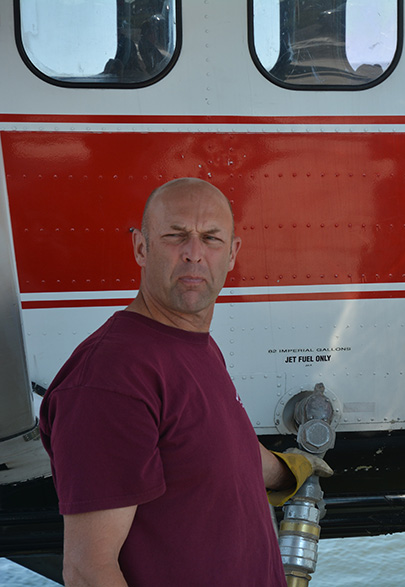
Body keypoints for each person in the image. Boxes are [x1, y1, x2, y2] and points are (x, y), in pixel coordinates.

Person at [39, 178, 330, 586]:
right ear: (141, 247)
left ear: (232, 254)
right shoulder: (110, 379)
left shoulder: (196, 347)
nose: (194, 254)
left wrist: (288, 472)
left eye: (211, 239)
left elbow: (213, 448)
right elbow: (89, 571)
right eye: (176, 236)